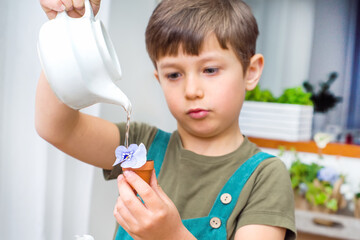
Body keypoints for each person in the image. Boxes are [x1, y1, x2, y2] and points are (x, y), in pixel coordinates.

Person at [36, 0, 296, 239]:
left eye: (210, 70)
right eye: (174, 75)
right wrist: (67, 32)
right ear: (159, 79)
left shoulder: (265, 177)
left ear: (250, 72)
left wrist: (171, 235)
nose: (192, 90)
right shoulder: (140, 147)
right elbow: (56, 127)